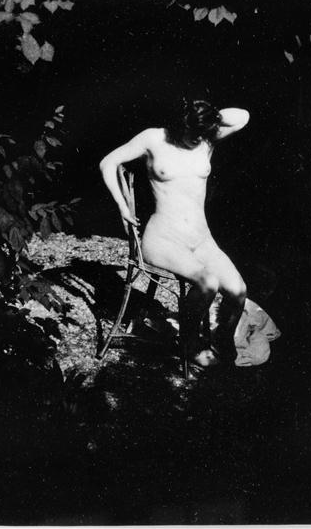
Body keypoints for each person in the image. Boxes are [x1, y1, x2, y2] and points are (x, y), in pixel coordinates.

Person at [99, 99, 250, 369]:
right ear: (181, 124)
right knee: (207, 282)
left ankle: (223, 337)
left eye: (202, 134)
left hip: (201, 238)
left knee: (238, 290)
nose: (197, 140)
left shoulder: (207, 137)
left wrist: (210, 116)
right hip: (163, 238)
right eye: (193, 133)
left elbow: (243, 117)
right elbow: (108, 162)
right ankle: (189, 343)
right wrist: (122, 206)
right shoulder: (154, 138)